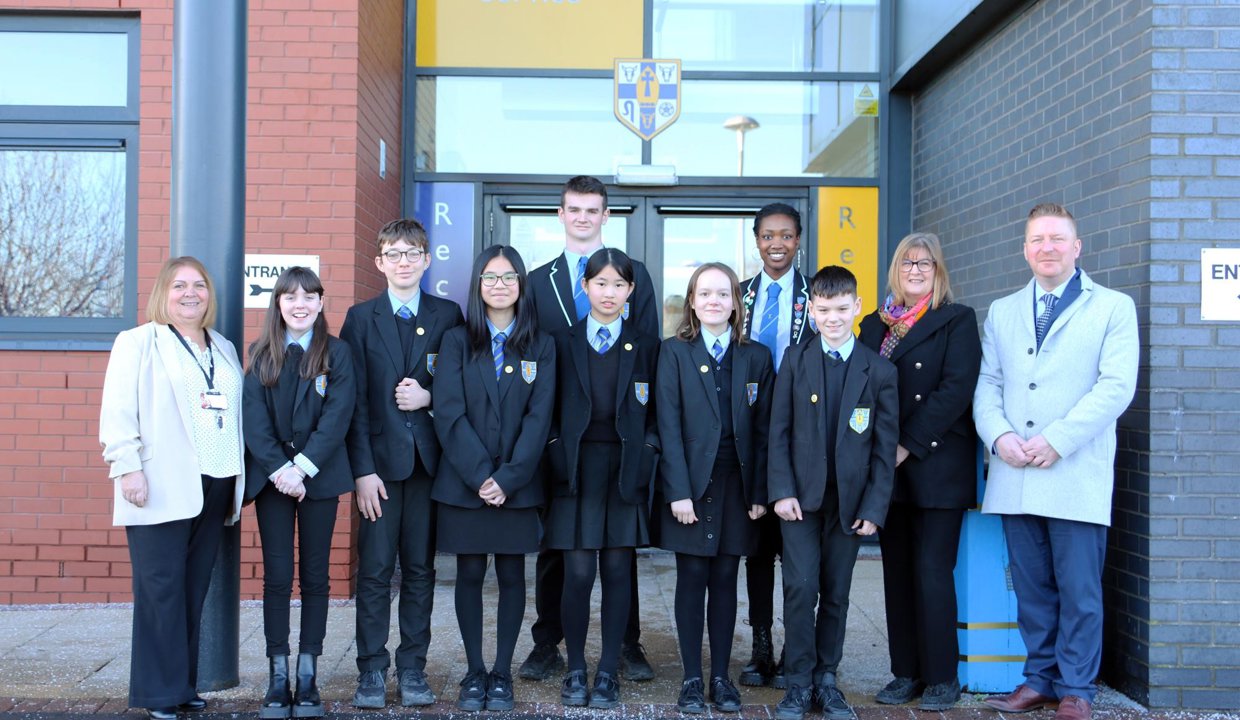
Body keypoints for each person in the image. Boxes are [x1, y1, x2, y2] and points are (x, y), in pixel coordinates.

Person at [973, 203, 1138, 720]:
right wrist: (998, 436)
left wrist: (1058, 440)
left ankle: (1076, 689)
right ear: (1025, 250)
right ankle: (1039, 680)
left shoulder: (1113, 307)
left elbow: (1116, 387)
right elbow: (988, 383)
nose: (1047, 247)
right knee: (1031, 589)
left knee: (1079, 590)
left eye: (1057, 238)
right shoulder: (1002, 310)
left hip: (1073, 470)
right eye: (1038, 240)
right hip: (1015, 471)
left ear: (1076, 246)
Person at [522, 174, 660, 683]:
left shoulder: (634, 275)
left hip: (620, 447)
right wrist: (549, 443)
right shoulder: (537, 281)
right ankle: (548, 643)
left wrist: (647, 448)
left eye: (592, 210)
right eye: (574, 209)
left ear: (606, 215)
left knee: (620, 560)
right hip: (565, 446)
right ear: (561, 214)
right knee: (558, 553)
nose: (583, 217)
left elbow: (648, 358)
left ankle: (626, 643)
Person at [99, 256, 245, 720]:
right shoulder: (138, 342)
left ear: (209, 295)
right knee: (160, 590)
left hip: (216, 481)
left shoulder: (223, 346)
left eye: (199, 285)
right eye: (179, 285)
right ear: (163, 292)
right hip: (159, 481)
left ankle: (181, 685)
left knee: (192, 588)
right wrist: (127, 468)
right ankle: (158, 693)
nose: (190, 293)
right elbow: (118, 411)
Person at [340, 218, 464, 709]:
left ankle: (413, 667)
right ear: (380, 262)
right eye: (394, 254)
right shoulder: (359, 318)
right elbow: (351, 402)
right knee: (374, 572)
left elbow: (462, 384)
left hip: (429, 466)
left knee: (419, 571)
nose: (404, 262)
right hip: (379, 470)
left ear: (427, 260)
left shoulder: (448, 315)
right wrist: (362, 471)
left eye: (413, 253)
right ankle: (371, 669)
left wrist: (429, 397)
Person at [768, 265, 899, 720]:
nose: (833, 318)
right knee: (800, 588)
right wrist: (781, 490)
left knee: (837, 591)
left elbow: (884, 448)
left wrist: (875, 507)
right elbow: (778, 431)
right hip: (799, 503)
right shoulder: (794, 360)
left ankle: (827, 678)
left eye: (842, 309)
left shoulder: (879, 370)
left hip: (850, 504)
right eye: (823, 310)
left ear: (857, 307)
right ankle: (798, 683)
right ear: (812, 311)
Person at [857, 233, 981, 711]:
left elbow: (956, 390)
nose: (915, 270)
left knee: (932, 572)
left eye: (924, 263)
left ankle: (942, 677)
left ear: (938, 270)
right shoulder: (874, 325)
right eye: (907, 263)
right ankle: (905, 672)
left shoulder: (957, 320)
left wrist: (906, 444)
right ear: (895, 270)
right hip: (887, 471)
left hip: (934, 465)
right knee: (897, 573)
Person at [432, 245, 556, 712]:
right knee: (468, 573)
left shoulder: (541, 345)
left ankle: (502, 672)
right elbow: (448, 412)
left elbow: (539, 419)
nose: (499, 285)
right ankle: (474, 670)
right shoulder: (456, 341)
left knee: (511, 574)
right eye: (490, 277)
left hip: (516, 486)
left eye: (508, 277)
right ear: (477, 284)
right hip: (466, 483)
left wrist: (508, 478)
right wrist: (483, 476)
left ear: (521, 285)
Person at [544, 248, 660, 709]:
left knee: (616, 571)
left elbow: (658, 413)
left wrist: (648, 452)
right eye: (600, 283)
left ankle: (609, 670)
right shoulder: (560, 341)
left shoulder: (647, 345)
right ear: (585, 287)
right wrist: (555, 449)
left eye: (618, 285)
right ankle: (575, 668)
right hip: (574, 470)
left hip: (625, 469)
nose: (609, 292)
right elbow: (546, 408)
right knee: (576, 573)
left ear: (630, 290)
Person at [657, 262, 774, 714]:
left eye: (723, 293)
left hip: (737, 487)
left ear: (736, 303)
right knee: (692, 577)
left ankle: (721, 678)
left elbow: (764, 432)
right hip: (690, 486)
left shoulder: (756, 357)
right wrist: (677, 491)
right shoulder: (674, 352)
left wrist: (759, 492)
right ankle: (691, 678)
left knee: (726, 578)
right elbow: (667, 425)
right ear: (691, 301)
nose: (713, 301)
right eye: (704, 293)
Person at [243, 267, 356, 719]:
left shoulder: (338, 353)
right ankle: (278, 674)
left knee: (314, 575)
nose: (300, 304)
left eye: (309, 296)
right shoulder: (261, 353)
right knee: (276, 576)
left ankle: (307, 674)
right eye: (290, 297)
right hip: (273, 482)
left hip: (319, 478)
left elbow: (338, 417)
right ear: (278, 303)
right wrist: (280, 471)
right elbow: (254, 420)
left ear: (321, 303)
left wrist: (303, 468)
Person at [736, 202, 814, 689]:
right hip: (750, 433)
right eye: (768, 236)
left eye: (786, 235)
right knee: (758, 549)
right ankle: (761, 646)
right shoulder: (739, 295)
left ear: (798, 240)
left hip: (802, 435)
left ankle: (795, 648)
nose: (777, 244)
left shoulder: (817, 294)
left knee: (799, 552)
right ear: (757, 241)